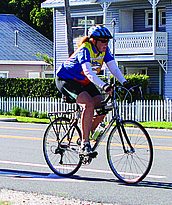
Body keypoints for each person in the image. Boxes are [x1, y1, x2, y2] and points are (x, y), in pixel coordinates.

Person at [55, 25, 128, 158]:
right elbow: (89, 73)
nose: (106, 43)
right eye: (103, 41)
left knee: (102, 106)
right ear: (93, 40)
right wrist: (104, 86)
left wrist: (126, 83)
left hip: (83, 81)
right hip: (67, 79)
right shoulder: (85, 49)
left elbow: (114, 69)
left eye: (107, 40)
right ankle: (84, 144)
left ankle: (86, 133)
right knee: (88, 104)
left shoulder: (104, 51)